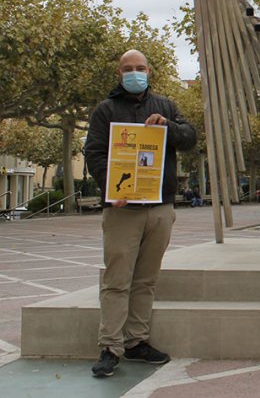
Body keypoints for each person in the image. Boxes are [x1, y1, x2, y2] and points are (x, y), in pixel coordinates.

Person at [84, 49, 197, 378]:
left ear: (149, 71)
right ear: (119, 73)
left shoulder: (166, 107)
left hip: (160, 207)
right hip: (122, 210)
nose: (135, 73)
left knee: (146, 280)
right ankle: (110, 347)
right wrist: (111, 188)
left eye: (140, 68)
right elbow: (94, 153)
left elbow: (189, 137)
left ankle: (137, 341)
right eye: (128, 69)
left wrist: (168, 128)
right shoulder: (105, 111)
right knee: (117, 280)